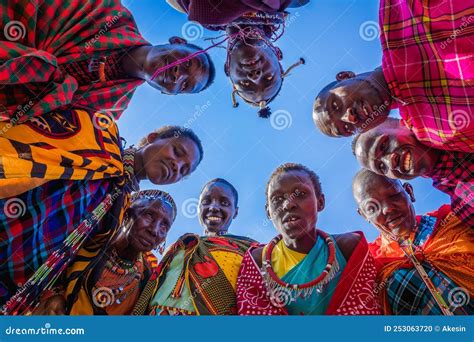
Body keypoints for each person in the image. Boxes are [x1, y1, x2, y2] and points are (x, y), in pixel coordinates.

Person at [0, 108, 203, 314]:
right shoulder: (98, 137)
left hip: (16, 286)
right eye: (177, 152)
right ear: (152, 138)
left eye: (184, 170)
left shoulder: (121, 207)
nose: (176, 166)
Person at [0, 0, 215, 123]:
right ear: (177, 41)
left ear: (169, 92)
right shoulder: (106, 11)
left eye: (185, 85)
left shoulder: (108, 112)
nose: (179, 75)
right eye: (188, 63)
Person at [312, 0, 474, 153]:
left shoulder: (396, 11)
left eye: (335, 105)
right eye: (347, 129)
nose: (350, 118)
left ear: (345, 76)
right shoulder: (432, 134)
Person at [236, 163, 381, 315]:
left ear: (320, 202)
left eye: (300, 194)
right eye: (277, 199)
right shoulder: (257, 261)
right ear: (269, 212)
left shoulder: (349, 247)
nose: (288, 204)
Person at [33, 190, 177, 315]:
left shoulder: (148, 280)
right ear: (127, 212)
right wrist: (54, 297)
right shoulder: (88, 240)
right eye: (149, 215)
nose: (154, 230)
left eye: (164, 225)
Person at [352, 169, 473, 315]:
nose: (388, 209)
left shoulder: (454, 220)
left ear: (409, 191)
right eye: (372, 208)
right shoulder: (369, 266)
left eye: (393, 195)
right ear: (364, 214)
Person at [167, 0, 307, 117]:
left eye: (246, 84)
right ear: (278, 54)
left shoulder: (183, 5)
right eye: (268, 77)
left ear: (227, 67)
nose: (255, 76)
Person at [148, 178, 258, 315]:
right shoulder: (179, 246)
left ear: (235, 212)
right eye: (206, 202)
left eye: (224, 203)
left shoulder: (250, 251)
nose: (213, 207)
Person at [352, 118, 473, 227]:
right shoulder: (465, 209)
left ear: (403, 123)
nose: (390, 162)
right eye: (382, 167)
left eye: (383, 145)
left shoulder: (463, 117)